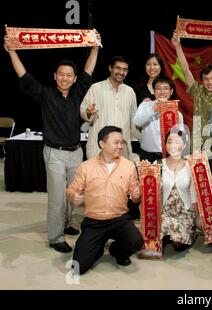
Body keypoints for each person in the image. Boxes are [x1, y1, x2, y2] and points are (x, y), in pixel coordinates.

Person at [3, 31, 101, 253]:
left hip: (76, 152)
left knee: (72, 195)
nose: (65, 78)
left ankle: (65, 224)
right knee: (57, 198)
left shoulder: (77, 93)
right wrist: (12, 51)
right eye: (61, 74)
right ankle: (56, 237)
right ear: (55, 76)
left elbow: (88, 70)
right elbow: (25, 78)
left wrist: (94, 48)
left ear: (74, 79)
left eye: (69, 75)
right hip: (54, 153)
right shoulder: (45, 94)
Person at [66, 126, 144, 274]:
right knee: (78, 268)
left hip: (119, 219)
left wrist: (137, 194)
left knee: (136, 242)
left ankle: (116, 251)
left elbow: (135, 197)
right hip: (94, 221)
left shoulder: (128, 166)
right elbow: (71, 190)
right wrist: (72, 195)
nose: (120, 146)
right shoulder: (86, 167)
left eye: (122, 142)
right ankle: (98, 246)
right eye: (116, 142)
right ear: (102, 144)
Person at [80, 56, 140, 160]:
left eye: (124, 69)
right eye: (118, 68)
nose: (121, 72)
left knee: (120, 176)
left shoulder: (130, 92)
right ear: (110, 68)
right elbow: (83, 111)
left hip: (121, 149)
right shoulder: (96, 88)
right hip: (97, 149)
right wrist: (89, 112)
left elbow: (134, 122)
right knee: (97, 176)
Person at [159, 130, 198, 252]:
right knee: (163, 223)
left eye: (177, 142)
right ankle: (166, 233)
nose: (172, 146)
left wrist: (196, 217)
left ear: (184, 145)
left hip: (184, 212)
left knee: (178, 245)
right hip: (164, 211)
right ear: (165, 145)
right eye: (169, 142)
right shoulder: (158, 164)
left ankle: (172, 235)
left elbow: (194, 194)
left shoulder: (191, 165)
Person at [133, 77, 184, 163]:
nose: (162, 92)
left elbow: (180, 134)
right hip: (147, 154)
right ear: (153, 91)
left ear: (171, 92)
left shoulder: (176, 112)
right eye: (158, 88)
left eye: (166, 88)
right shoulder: (145, 105)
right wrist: (154, 109)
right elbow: (137, 122)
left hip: (169, 155)